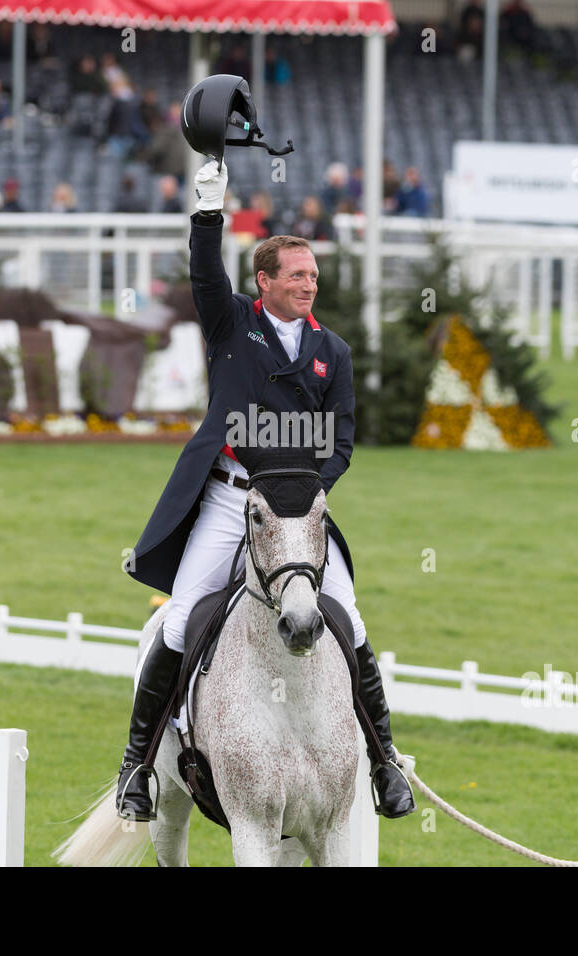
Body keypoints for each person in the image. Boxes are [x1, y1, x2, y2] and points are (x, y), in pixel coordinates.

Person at [115, 157, 416, 823]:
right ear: (265, 281)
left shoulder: (330, 351)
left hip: (299, 509)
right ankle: (136, 767)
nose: (310, 284)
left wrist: (308, 490)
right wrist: (208, 206)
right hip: (229, 499)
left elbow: (341, 440)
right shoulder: (231, 325)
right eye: (298, 275)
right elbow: (202, 268)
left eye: (314, 275)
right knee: (180, 620)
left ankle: (386, 762)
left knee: (350, 619)